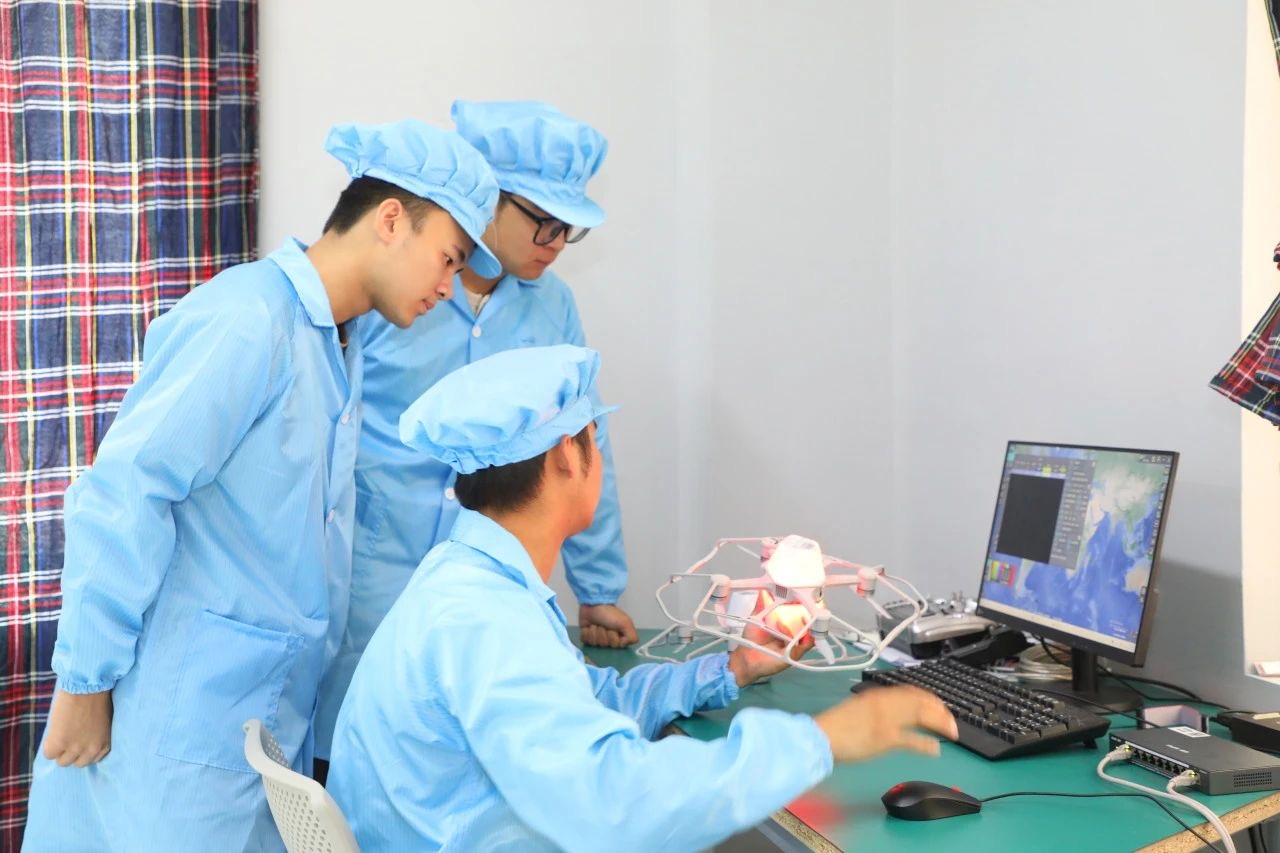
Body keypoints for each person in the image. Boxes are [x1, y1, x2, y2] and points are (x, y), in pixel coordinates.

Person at [22, 120, 501, 853]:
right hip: (173, 731)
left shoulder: (337, 345)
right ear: (390, 220)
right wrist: (85, 681)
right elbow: (126, 491)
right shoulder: (249, 319)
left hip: (251, 727)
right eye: (449, 258)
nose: (449, 286)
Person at [327, 344, 957, 852]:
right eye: (594, 436)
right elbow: (612, 805)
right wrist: (822, 740)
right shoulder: (485, 617)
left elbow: (581, 708)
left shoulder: (469, 579)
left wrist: (731, 670)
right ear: (565, 455)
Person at [314, 100, 637, 765]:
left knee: (467, 760)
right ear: (487, 197)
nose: (555, 242)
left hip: (487, 593)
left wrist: (599, 587)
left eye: (569, 228)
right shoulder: (393, 291)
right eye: (542, 219)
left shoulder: (554, 306)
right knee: (351, 755)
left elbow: (583, 444)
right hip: (371, 580)